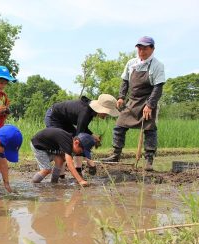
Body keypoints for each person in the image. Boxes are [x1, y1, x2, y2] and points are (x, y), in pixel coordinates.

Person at [102, 36, 165, 171]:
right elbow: (125, 81)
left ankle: (149, 160)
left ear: (152, 49)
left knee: (149, 129)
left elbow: (158, 87)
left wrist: (150, 105)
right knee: (119, 126)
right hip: (132, 101)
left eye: (145, 48)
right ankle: (115, 154)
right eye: (140, 48)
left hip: (148, 101)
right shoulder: (131, 63)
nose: (142, 51)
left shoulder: (157, 65)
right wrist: (121, 97)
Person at [45, 94, 119, 176]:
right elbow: (79, 139)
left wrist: (92, 135)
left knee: (75, 141)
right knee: (63, 143)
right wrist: (89, 160)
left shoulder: (91, 111)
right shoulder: (85, 112)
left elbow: (82, 128)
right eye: (106, 113)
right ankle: (60, 175)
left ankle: (78, 171)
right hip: (53, 117)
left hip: (65, 121)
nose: (106, 116)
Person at [30, 128, 96, 186]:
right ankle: (34, 184)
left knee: (60, 160)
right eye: (81, 151)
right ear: (76, 143)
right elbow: (70, 165)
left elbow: (65, 158)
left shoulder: (69, 141)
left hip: (48, 146)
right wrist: (80, 181)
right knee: (46, 169)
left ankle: (54, 183)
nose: (80, 153)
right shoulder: (67, 143)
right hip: (38, 146)